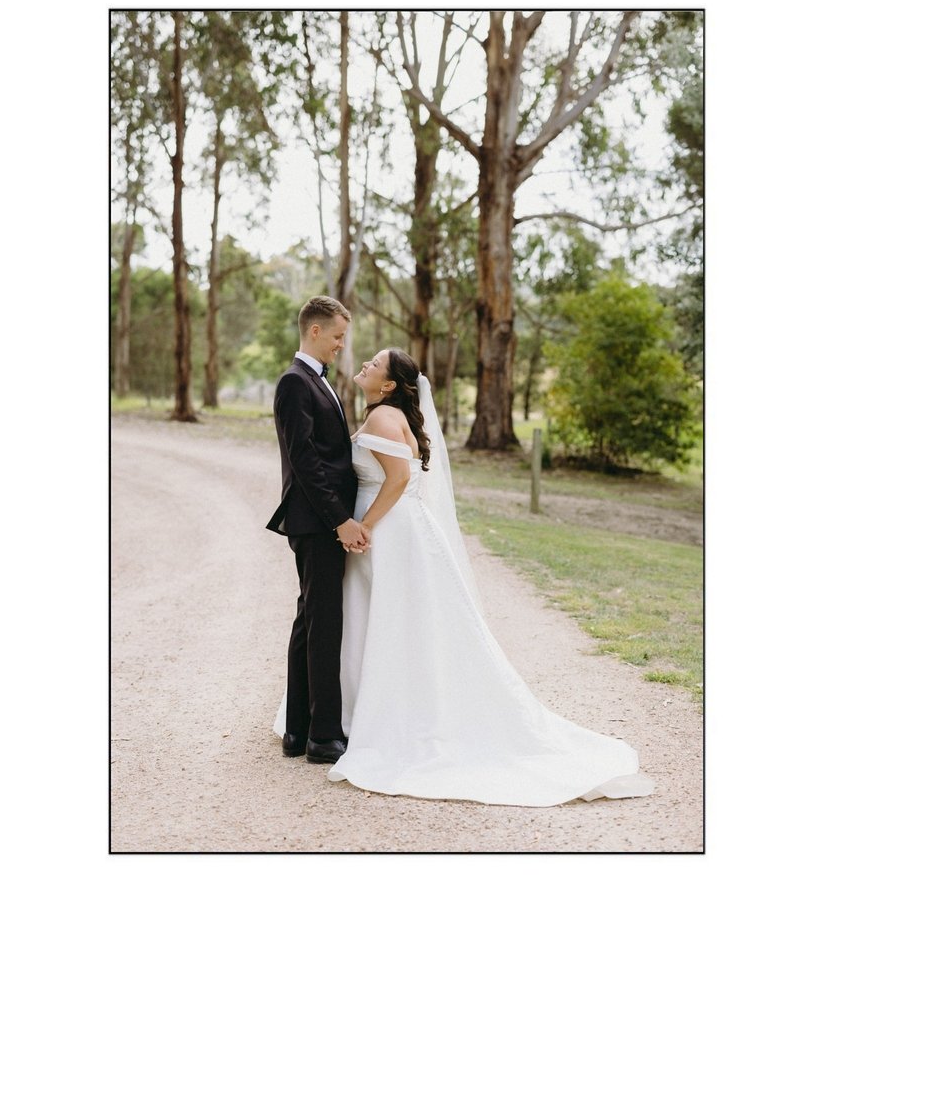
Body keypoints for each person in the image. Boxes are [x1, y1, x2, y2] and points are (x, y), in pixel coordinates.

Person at [315, 346, 654, 806]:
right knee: (398, 624)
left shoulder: (381, 419)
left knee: (391, 623)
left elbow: (395, 480)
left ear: (390, 384)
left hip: (389, 530)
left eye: (375, 364)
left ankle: (384, 720)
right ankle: (377, 711)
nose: (367, 366)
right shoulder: (392, 415)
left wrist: (365, 525)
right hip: (403, 527)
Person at [265, 297, 369, 766]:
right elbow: (306, 463)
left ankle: (298, 730)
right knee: (324, 624)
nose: (341, 345)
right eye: (337, 336)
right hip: (316, 522)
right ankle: (324, 737)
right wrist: (340, 520)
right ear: (314, 332)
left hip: (319, 521)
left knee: (310, 620)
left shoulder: (317, 382)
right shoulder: (294, 382)